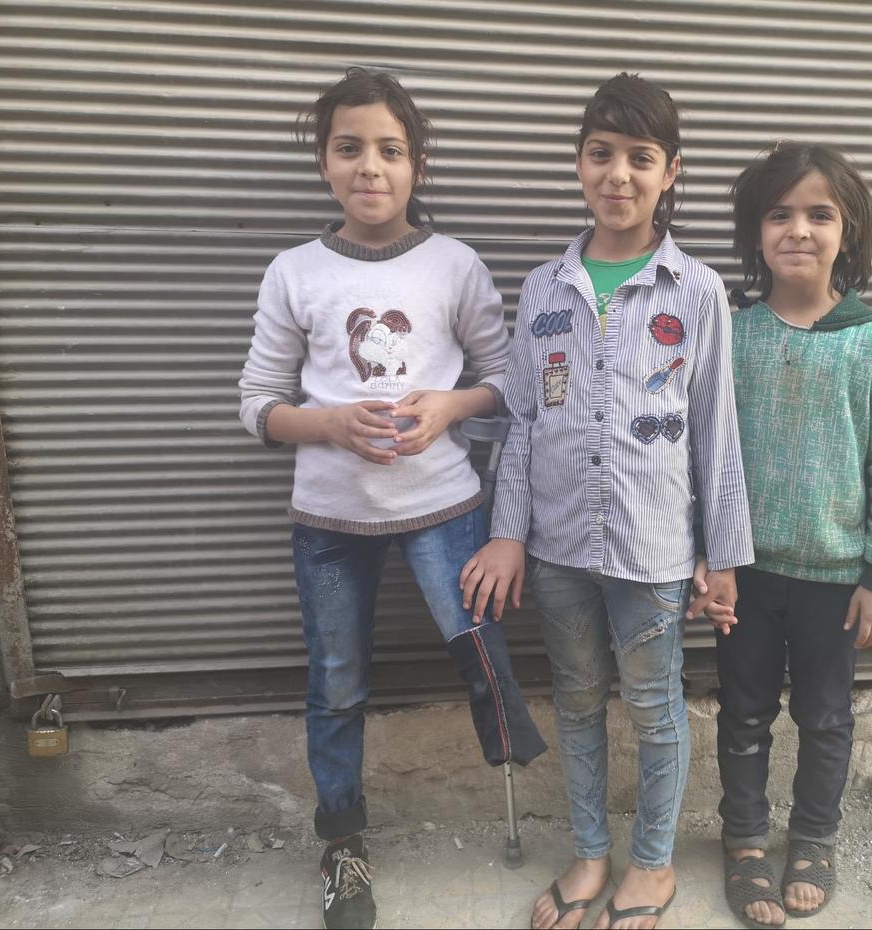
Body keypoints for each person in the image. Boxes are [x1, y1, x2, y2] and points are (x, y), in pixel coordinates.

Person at [238, 67, 546, 930]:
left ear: (416, 166)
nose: (370, 167)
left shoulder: (454, 265)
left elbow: (508, 379)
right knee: (337, 684)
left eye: (390, 150)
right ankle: (342, 846)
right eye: (349, 149)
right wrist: (328, 425)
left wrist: (449, 405)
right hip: (330, 520)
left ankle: (513, 771)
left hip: (445, 506)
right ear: (325, 163)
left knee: (479, 645)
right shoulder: (295, 272)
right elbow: (256, 405)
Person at [460, 73, 754, 930]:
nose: (617, 175)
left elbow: (717, 432)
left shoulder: (693, 291)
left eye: (640, 158)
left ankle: (653, 866)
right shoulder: (547, 288)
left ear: (671, 173)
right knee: (579, 703)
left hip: (654, 553)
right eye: (601, 155)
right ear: (579, 165)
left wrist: (722, 555)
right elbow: (521, 421)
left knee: (657, 711)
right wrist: (508, 533)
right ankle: (591, 853)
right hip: (557, 554)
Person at [697, 141, 872, 929]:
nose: (799, 229)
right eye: (779, 213)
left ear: (847, 231)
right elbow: (708, 451)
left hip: (836, 581)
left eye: (820, 214)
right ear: (753, 233)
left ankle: (815, 838)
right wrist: (711, 555)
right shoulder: (732, 335)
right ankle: (747, 840)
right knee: (744, 711)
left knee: (826, 716)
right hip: (749, 575)